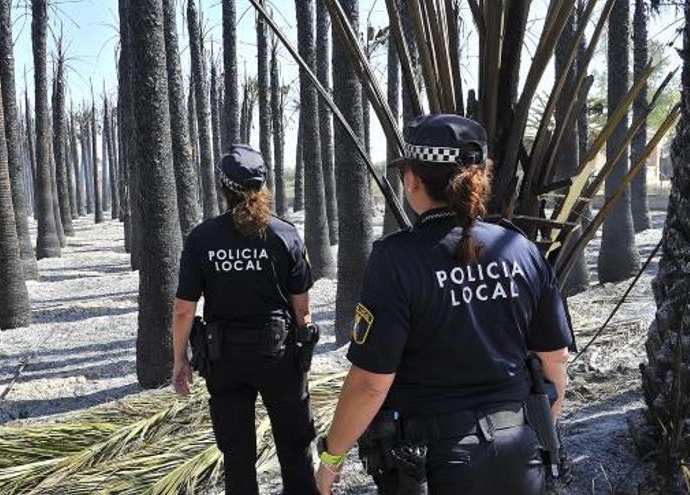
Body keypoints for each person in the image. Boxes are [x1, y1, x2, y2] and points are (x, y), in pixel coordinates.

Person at [314, 114, 571, 495]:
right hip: (520, 450)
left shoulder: (395, 260)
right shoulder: (521, 250)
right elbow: (555, 361)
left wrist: (331, 460)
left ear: (412, 180)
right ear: (480, 178)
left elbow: (370, 384)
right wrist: (537, 429)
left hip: (435, 465)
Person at [171, 144, 321, 495]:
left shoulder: (202, 238)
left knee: (237, 458)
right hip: (280, 356)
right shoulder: (285, 234)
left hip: (224, 359)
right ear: (263, 187)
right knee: (296, 450)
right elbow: (302, 309)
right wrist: (303, 356)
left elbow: (183, 308)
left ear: (222, 188)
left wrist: (180, 360)